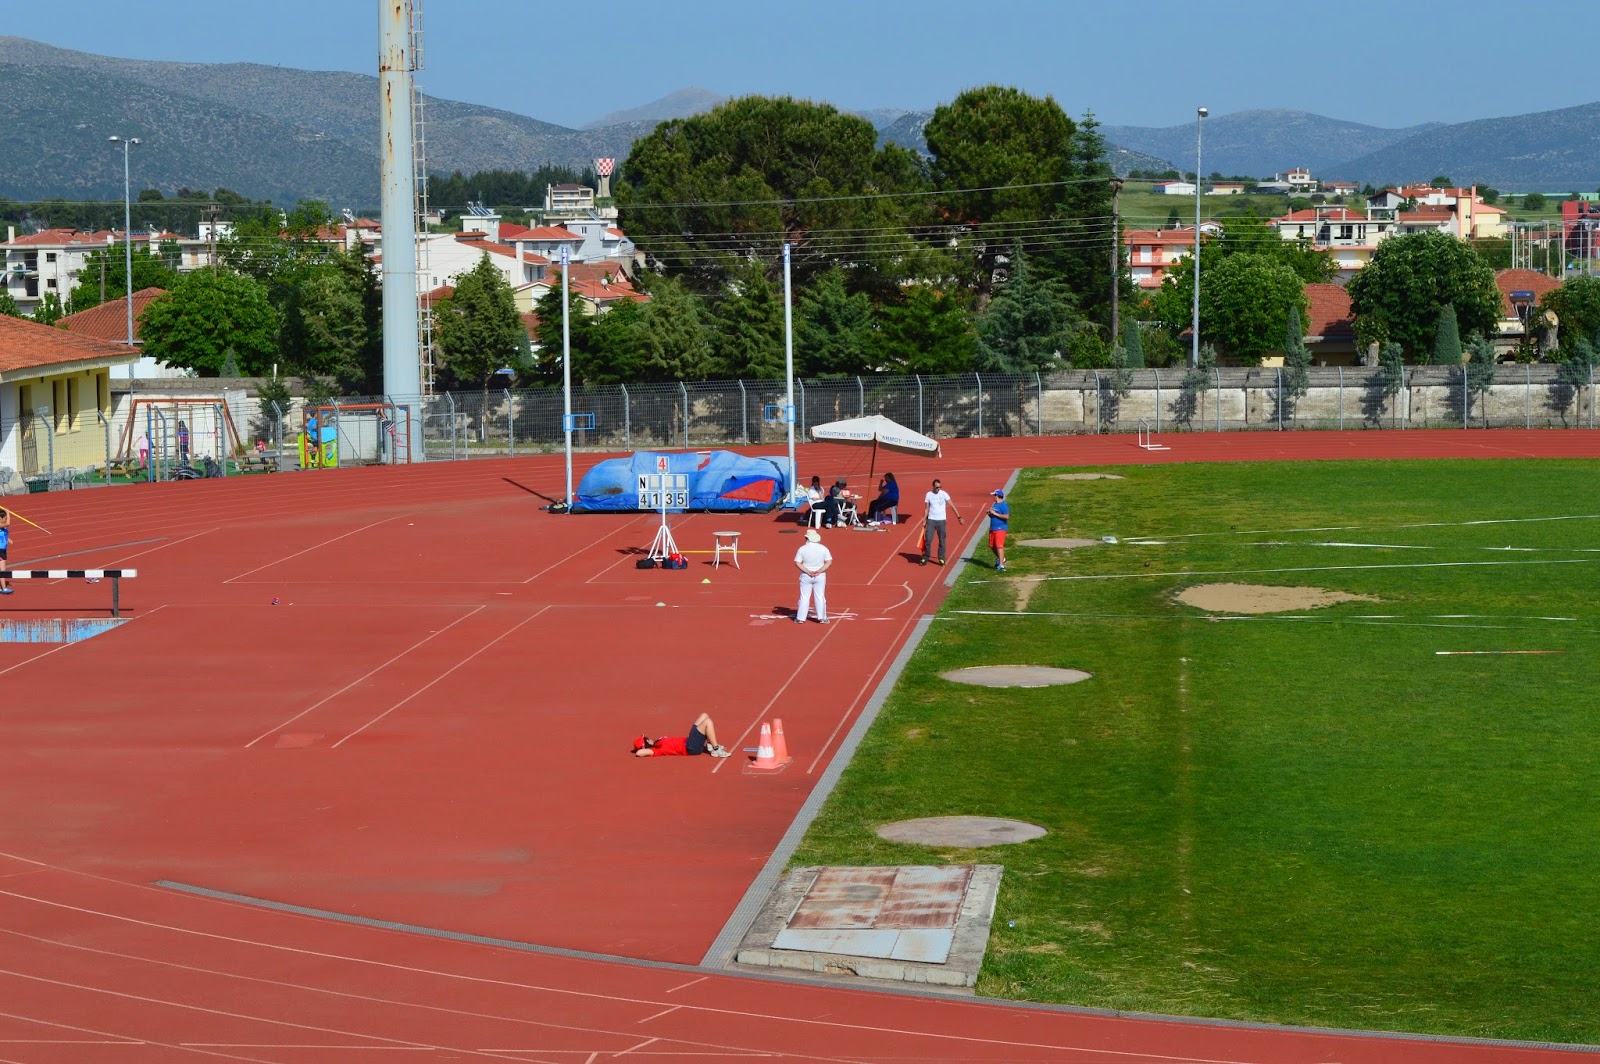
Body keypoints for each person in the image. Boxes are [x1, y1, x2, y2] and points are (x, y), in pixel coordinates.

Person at [633, 712, 730, 757]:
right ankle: (716, 750)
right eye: (646, 739)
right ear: (646, 744)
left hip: (688, 741)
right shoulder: (656, 750)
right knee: (708, 722)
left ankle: (710, 745)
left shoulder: (657, 742)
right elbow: (639, 753)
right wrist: (644, 749)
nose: (648, 738)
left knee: (704, 715)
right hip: (691, 748)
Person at [920, 478, 963, 566]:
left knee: (942, 540)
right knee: (928, 539)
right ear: (933, 487)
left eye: (940, 487)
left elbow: (952, 506)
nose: (938, 489)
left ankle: (941, 558)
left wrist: (959, 517)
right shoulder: (928, 495)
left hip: (941, 521)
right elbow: (926, 508)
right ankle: (926, 557)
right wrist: (924, 520)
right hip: (931, 520)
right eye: (937, 487)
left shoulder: (944, 494)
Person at [793, 527, 833, 624]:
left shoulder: (802, 549)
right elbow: (829, 562)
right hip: (820, 576)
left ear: (807, 538)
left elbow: (797, 562)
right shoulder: (823, 548)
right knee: (820, 596)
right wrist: (819, 571)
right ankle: (822, 617)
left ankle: (800, 618)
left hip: (806, 575)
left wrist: (807, 571)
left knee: (804, 596)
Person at [978, 488, 1010, 571]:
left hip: (1000, 528)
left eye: (994, 495)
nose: (993, 497)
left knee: (999, 546)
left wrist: (995, 513)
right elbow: (994, 516)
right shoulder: (995, 504)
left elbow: (1006, 516)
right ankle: (1001, 558)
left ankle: (1001, 565)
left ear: (998, 496)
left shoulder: (1003, 505)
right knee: (992, 546)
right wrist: (990, 514)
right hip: (993, 528)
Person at [0, 506, 11, 595]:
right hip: (0, 551)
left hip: (3, 550)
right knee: (2, 570)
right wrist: (8, 512)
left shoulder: (3, 528)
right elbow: (7, 524)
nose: (6, 519)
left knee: (2, 569)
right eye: (5, 518)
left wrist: (8, 539)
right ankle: (4, 588)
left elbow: (3, 535)